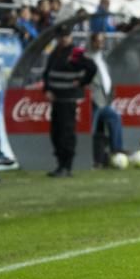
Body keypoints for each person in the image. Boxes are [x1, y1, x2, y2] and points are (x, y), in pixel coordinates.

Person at [44, 27, 97, 177]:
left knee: (66, 133)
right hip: (56, 98)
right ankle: (60, 164)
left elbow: (92, 68)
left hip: (68, 98)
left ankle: (67, 166)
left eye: (66, 36)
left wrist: (82, 82)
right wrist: (47, 89)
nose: (63, 39)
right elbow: (47, 72)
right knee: (56, 133)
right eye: (61, 37)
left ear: (70, 37)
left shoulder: (75, 53)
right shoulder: (55, 52)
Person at [87, 32, 124, 167]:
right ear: (91, 42)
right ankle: (90, 157)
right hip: (94, 100)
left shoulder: (102, 59)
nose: (100, 44)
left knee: (115, 118)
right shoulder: (87, 58)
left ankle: (116, 150)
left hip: (104, 100)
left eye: (102, 41)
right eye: (98, 41)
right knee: (91, 129)